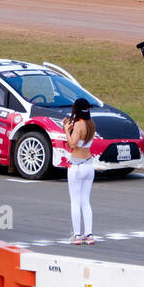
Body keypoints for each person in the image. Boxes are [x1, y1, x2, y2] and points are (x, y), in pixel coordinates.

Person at [63, 97, 96, 244]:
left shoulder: (79, 125)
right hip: (89, 164)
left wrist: (66, 130)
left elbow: (72, 144)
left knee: (75, 201)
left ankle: (76, 235)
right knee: (85, 201)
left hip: (76, 165)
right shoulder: (91, 124)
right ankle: (88, 234)